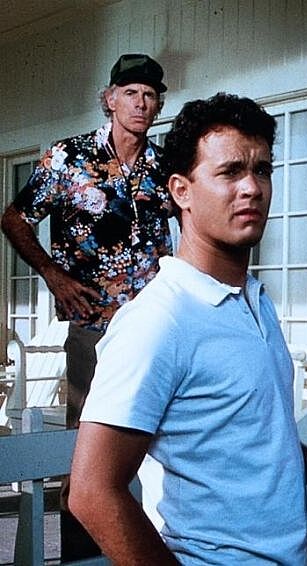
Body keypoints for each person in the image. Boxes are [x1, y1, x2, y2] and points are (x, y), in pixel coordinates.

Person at [68, 93, 307, 564]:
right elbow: (91, 492)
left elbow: (240, 433)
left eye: (262, 170)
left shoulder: (254, 302)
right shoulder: (159, 320)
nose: (252, 188)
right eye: (230, 172)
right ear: (181, 191)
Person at [0, 53, 173, 560]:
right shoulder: (68, 157)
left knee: (162, 442)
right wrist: (53, 275)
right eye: (131, 93)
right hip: (93, 327)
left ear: (158, 105)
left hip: (156, 328)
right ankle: (83, 557)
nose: (140, 103)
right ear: (110, 99)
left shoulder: (164, 166)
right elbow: (15, 218)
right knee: (88, 451)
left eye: (150, 95)